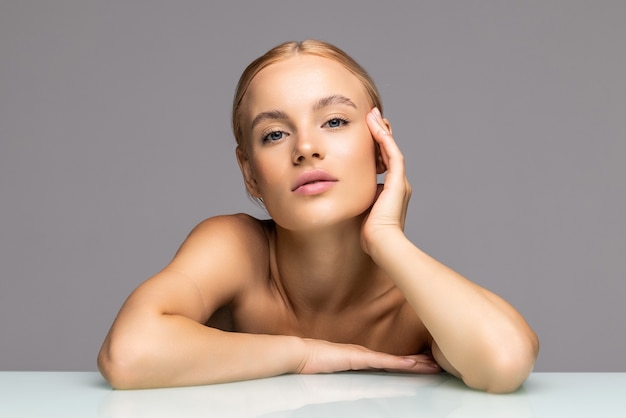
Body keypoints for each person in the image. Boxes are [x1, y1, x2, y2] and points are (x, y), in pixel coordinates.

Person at [97, 40, 539, 393]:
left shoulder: (413, 303)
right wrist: (303, 354)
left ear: (381, 146)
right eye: (274, 133)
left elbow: (505, 363)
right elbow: (129, 354)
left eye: (334, 121)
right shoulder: (234, 246)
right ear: (249, 173)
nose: (306, 148)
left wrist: (387, 239)